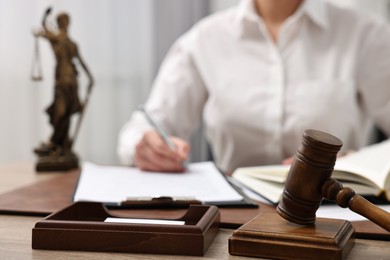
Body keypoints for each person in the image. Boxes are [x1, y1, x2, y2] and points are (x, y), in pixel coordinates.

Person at [118, 0, 390, 174]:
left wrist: (358, 165)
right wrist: (144, 146)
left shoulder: (364, 34)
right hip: (233, 217)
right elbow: (142, 128)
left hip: (335, 211)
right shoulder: (205, 39)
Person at [34, 11, 94, 156]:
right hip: (60, 83)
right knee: (59, 113)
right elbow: (43, 31)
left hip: (72, 83)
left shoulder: (72, 44)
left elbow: (81, 61)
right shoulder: (56, 39)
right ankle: (54, 142)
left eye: (64, 20)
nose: (63, 23)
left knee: (67, 115)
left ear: (68, 23)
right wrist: (44, 17)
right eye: (60, 20)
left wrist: (91, 77)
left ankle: (62, 147)